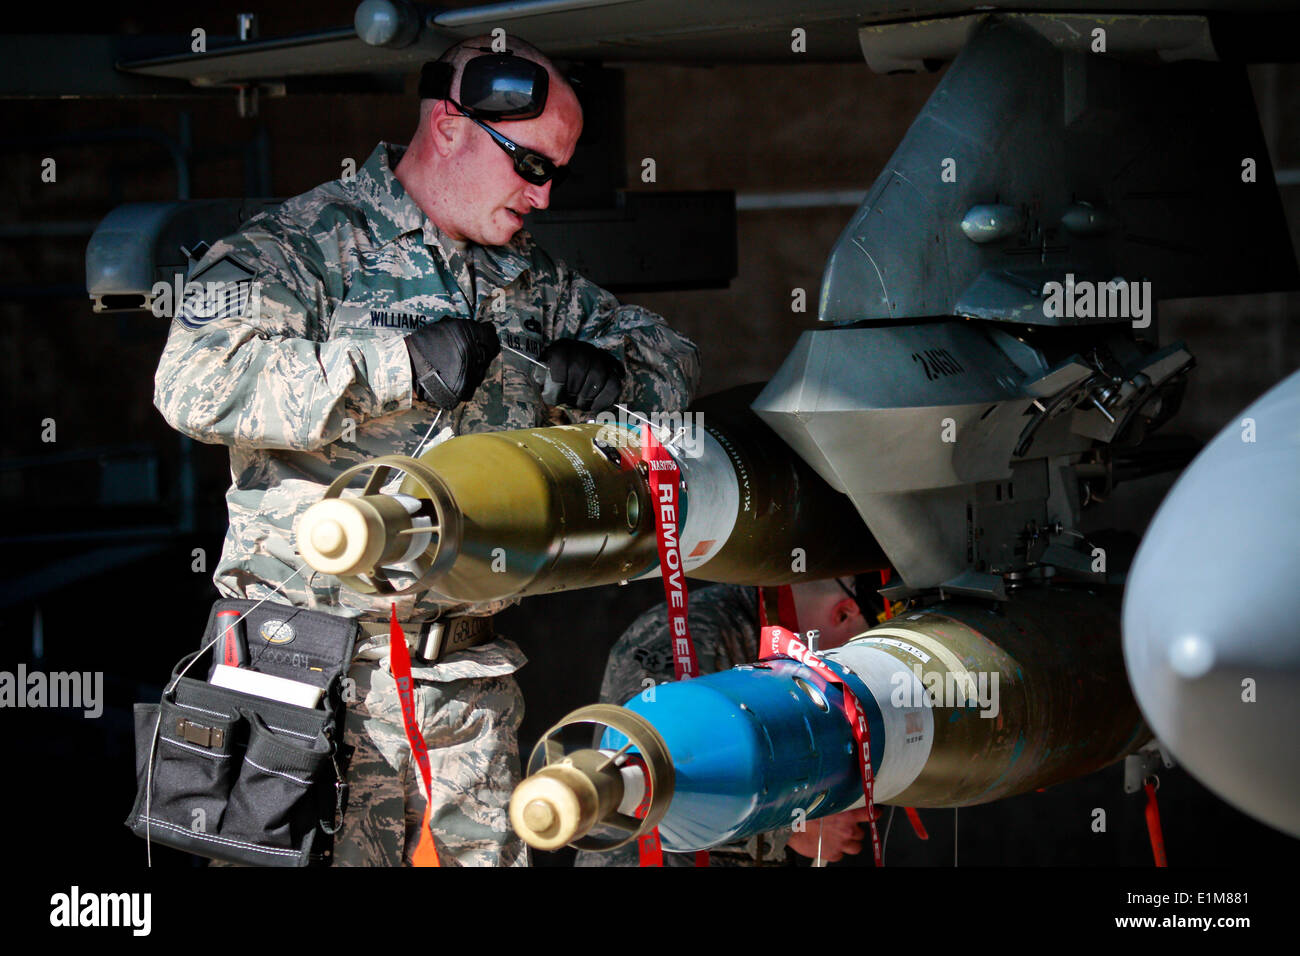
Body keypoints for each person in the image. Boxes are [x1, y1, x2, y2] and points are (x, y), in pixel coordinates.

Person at [152, 35, 700, 867]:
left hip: (465, 694)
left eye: (556, 171)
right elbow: (192, 381)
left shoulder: (531, 283)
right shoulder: (298, 247)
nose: (542, 196)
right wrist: (390, 367)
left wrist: (619, 373)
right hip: (305, 689)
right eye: (533, 165)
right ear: (450, 127)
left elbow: (677, 357)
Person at [574, 579, 877, 867]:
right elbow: (646, 759)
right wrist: (795, 825)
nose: (844, 676)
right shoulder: (694, 629)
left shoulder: (748, 627)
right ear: (843, 612)